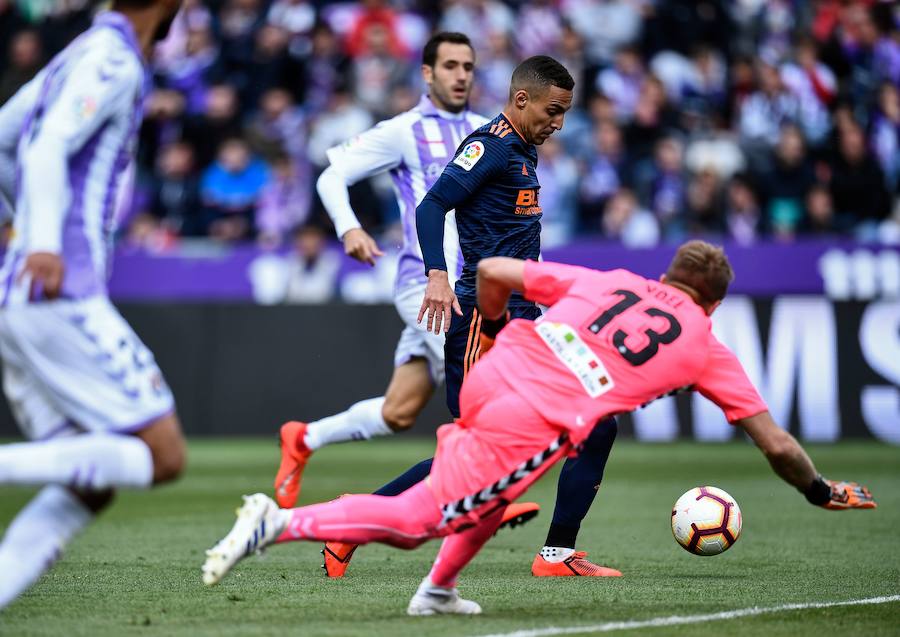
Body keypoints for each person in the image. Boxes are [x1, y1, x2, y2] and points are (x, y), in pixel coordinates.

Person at [202, 241, 875, 615]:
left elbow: (492, 270)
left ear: (663, 274)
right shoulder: (703, 342)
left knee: (492, 497)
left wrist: (491, 331)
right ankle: (273, 525)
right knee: (415, 520)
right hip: (540, 414)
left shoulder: (609, 278)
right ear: (716, 303)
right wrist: (819, 490)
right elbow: (778, 444)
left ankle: (439, 592)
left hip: (498, 369)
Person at [273, 32, 538, 577]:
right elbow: (331, 176)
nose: (461, 75)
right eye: (449, 65)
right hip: (427, 284)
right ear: (427, 73)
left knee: (399, 412)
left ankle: (306, 439)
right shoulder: (402, 132)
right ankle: (487, 489)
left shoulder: (491, 130)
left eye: (468, 65)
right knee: (489, 398)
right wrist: (348, 228)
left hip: (475, 284)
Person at [0, 0, 186, 611]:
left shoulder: (76, 54)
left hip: (19, 292)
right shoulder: (112, 59)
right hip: (60, 290)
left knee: (91, 485)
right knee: (163, 453)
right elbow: (47, 145)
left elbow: (5, 136)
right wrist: (45, 243)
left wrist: (17, 227)